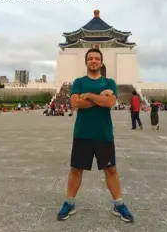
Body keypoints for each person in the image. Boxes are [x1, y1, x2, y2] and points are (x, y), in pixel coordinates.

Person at [57, 48, 134, 223]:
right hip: (82, 133)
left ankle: (118, 204)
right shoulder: (78, 82)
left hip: (103, 134)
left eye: (97, 58)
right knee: (76, 170)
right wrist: (100, 99)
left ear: (101, 62)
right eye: (90, 58)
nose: (93, 61)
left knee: (111, 170)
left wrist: (90, 96)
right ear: (86, 62)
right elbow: (75, 103)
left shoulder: (109, 82)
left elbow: (110, 103)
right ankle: (69, 203)